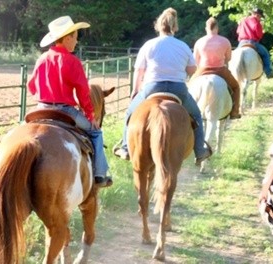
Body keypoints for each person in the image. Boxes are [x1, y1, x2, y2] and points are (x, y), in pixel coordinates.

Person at [113, 7, 212, 166]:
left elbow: (139, 71)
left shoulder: (148, 45)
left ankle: (125, 147)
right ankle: (200, 150)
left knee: (130, 113)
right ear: (175, 27)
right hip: (178, 89)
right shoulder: (183, 46)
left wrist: (135, 90)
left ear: (158, 26)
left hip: (153, 87)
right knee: (197, 115)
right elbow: (193, 69)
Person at [27, 15, 112, 188]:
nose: (76, 41)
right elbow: (83, 93)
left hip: (40, 108)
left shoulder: (41, 59)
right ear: (67, 38)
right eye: (75, 37)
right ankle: (100, 174)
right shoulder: (72, 61)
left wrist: (44, 94)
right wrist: (91, 116)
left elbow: (31, 86)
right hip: (64, 110)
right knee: (96, 133)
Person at [191, 17, 241, 119]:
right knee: (236, 87)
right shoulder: (225, 41)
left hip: (202, 70)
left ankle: (188, 112)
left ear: (206, 28)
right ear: (217, 28)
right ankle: (235, 112)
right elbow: (228, 58)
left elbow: (195, 60)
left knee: (189, 87)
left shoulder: (199, 42)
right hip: (220, 70)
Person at [236, 8, 273, 78]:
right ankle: (268, 72)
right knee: (265, 53)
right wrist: (261, 31)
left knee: (234, 56)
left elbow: (238, 31)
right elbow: (259, 35)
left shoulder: (243, 20)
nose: (260, 18)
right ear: (257, 15)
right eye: (260, 17)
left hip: (242, 42)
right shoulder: (256, 22)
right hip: (252, 42)